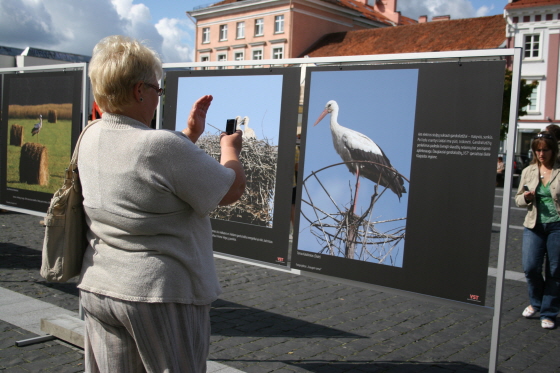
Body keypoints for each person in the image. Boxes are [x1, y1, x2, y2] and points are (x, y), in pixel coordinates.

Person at [77, 35, 246, 372]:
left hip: (100, 287)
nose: (158, 97)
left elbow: (142, 165)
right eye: (157, 89)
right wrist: (231, 151)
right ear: (140, 91)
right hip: (158, 295)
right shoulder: (160, 146)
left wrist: (189, 134)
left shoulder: (90, 134)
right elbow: (230, 190)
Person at [515, 131, 560, 329]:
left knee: (555, 270)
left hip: (557, 225)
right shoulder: (529, 171)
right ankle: (536, 302)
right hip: (533, 225)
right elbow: (517, 199)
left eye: (545, 150)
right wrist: (526, 197)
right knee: (530, 267)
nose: (541, 154)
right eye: (538, 150)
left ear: (553, 150)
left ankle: (549, 312)